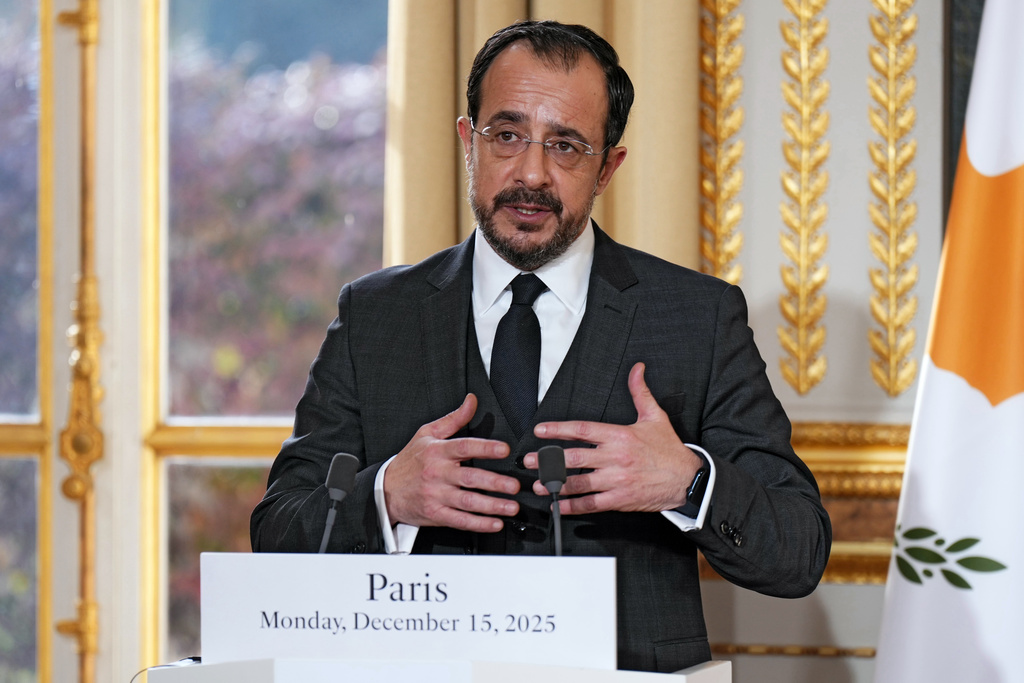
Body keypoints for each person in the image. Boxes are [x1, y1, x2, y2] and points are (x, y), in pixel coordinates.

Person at [251, 20, 831, 673]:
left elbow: (799, 550)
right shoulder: (374, 315)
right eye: (507, 135)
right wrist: (386, 493)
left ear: (608, 166)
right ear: (468, 142)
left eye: (566, 146)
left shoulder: (697, 317)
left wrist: (686, 481)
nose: (531, 173)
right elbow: (278, 532)